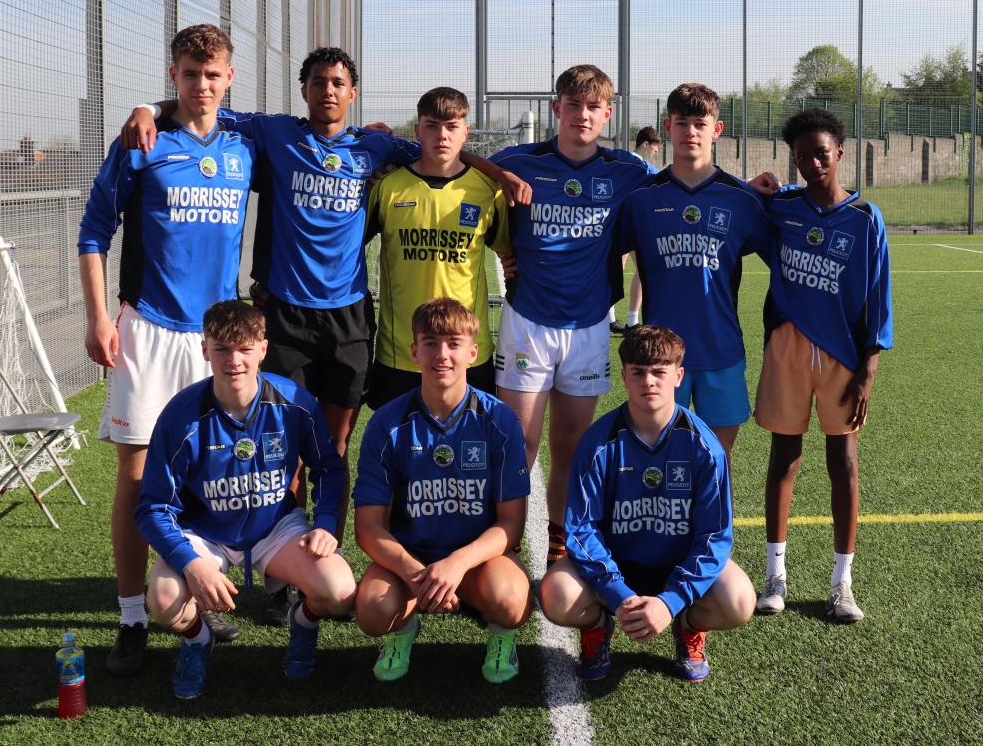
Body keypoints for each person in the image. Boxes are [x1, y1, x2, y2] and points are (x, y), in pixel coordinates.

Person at [121, 49, 529, 555]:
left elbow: (442, 153)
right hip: (284, 312)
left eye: (338, 83)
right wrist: (148, 109)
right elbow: (202, 106)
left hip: (347, 316)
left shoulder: (375, 146)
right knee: (285, 447)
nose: (328, 91)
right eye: (318, 82)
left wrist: (499, 174)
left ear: (352, 93)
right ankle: (284, 560)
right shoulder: (274, 132)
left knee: (335, 446)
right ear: (304, 90)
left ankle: (325, 549)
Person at [78, 24, 252, 674]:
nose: (201, 84)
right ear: (172, 73)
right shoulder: (142, 141)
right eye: (189, 73)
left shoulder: (244, 142)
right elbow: (93, 232)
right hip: (147, 329)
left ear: (229, 77)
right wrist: (99, 317)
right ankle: (130, 618)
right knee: (135, 476)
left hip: (215, 338)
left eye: (212, 74)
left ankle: (199, 596)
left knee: (208, 474)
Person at [136, 300, 356, 699]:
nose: (233, 360)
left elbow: (329, 467)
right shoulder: (181, 415)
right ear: (205, 350)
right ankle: (197, 639)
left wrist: (325, 523)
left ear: (263, 349)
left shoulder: (293, 401)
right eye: (221, 348)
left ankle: (303, 621)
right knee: (164, 600)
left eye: (244, 348)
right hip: (205, 534)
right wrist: (190, 563)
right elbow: (153, 508)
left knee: (339, 591)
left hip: (275, 528)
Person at [490, 64, 653, 569]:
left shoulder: (628, 170)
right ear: (556, 108)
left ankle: (559, 546)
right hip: (528, 323)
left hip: (588, 327)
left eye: (593, 107)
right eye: (573, 104)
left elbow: (685, 182)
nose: (582, 114)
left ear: (608, 113)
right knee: (519, 444)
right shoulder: (517, 161)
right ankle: (507, 548)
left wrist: (760, 188)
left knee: (571, 445)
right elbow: (456, 164)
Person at [538, 325, 755, 683]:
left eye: (659, 372)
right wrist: (618, 595)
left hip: (677, 567)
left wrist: (671, 602)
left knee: (739, 600)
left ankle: (688, 625)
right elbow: (581, 529)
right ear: (624, 376)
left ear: (678, 376)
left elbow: (715, 536)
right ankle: (597, 626)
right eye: (638, 372)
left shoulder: (704, 447)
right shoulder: (598, 442)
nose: (649, 381)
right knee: (555, 593)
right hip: (615, 567)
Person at [754, 108, 893, 623]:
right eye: (802, 156)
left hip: (843, 357)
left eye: (821, 153)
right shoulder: (782, 208)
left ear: (840, 152)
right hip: (788, 347)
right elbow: (738, 201)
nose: (812, 163)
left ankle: (842, 583)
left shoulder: (865, 217)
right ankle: (775, 576)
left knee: (844, 462)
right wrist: (756, 185)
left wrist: (868, 368)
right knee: (784, 457)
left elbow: (878, 294)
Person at [352, 298, 532, 683]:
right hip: (410, 560)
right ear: (414, 351)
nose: (442, 354)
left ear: (473, 352)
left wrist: (457, 564)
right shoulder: (387, 423)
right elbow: (368, 527)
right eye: (431, 343)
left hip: (476, 562)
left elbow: (511, 524)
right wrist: (419, 574)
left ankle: (500, 634)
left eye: (453, 343)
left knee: (512, 601)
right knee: (371, 611)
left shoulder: (498, 419)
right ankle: (403, 628)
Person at [618, 83, 775, 471]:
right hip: (659, 357)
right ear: (667, 127)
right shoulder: (642, 199)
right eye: (682, 122)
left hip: (721, 351)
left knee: (717, 461)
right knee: (658, 460)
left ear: (717, 130)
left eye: (700, 124)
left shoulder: (741, 200)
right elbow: (602, 254)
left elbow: (784, 258)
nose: (690, 131)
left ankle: (715, 517)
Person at [365, 86, 510, 410]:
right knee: (398, 439)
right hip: (401, 353)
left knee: (469, 439)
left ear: (465, 132)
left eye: (451, 126)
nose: (441, 135)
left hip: (467, 352)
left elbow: (509, 253)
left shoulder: (488, 191)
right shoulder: (387, 187)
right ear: (417, 130)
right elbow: (350, 246)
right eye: (432, 125)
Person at [615, 125, 662, 333]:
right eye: (654, 149)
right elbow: (663, 180)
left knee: (616, 270)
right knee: (643, 269)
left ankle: (611, 318)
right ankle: (632, 320)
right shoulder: (641, 166)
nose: (655, 153)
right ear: (645, 144)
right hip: (631, 226)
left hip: (617, 224)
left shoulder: (621, 161)